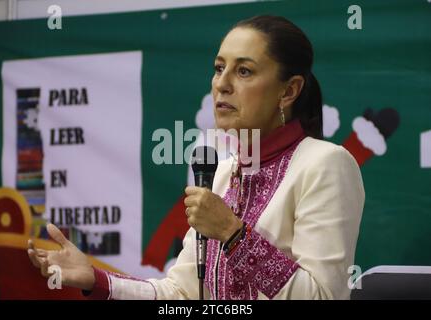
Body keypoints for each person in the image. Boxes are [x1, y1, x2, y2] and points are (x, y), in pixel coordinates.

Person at [28, 15, 364, 300]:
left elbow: (322, 295)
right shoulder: (222, 173)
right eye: (219, 68)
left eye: (244, 71)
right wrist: (97, 280)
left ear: (289, 90)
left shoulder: (325, 164)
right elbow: (181, 293)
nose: (222, 84)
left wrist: (233, 233)